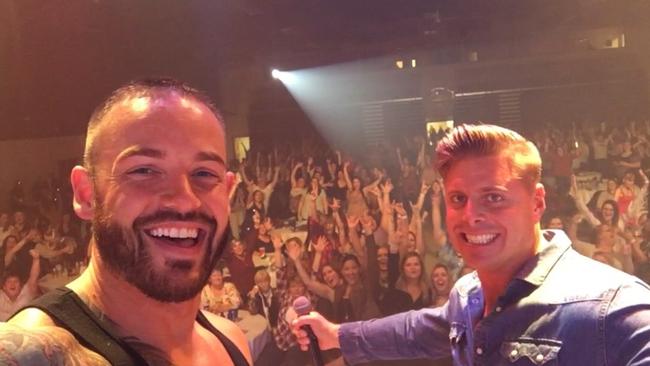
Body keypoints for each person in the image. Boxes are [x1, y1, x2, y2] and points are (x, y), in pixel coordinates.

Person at [292, 124, 650, 365]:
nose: (471, 215)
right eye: (458, 198)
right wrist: (337, 334)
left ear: (537, 202)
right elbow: (418, 330)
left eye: (493, 197)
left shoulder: (613, 307)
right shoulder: (467, 294)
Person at [0, 78, 252, 365]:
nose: (185, 200)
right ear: (86, 193)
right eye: (144, 170)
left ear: (228, 192)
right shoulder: (37, 352)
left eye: (205, 173)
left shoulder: (230, 339)